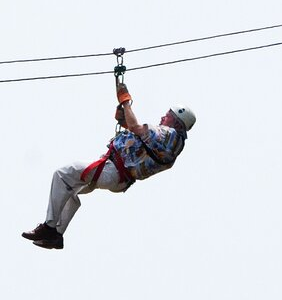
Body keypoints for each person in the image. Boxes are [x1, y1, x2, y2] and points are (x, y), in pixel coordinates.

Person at [22, 82, 196, 249]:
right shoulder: (173, 144)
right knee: (70, 189)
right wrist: (124, 121)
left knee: (62, 174)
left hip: (113, 170)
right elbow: (141, 142)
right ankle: (56, 235)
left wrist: (125, 101)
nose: (162, 117)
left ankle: (49, 227)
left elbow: (136, 128)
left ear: (176, 120)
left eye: (167, 115)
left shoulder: (169, 135)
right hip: (119, 177)